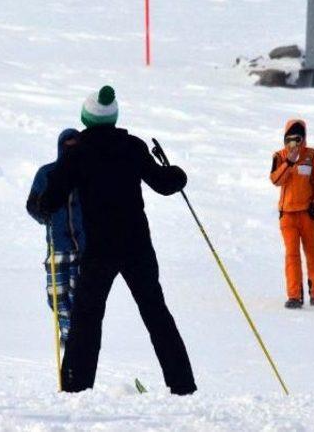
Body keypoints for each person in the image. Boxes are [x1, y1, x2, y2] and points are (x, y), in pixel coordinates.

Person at [38, 86, 196, 395]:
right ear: (113, 117)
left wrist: (45, 204)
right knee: (156, 312)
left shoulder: (77, 152)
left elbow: (52, 197)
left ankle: (76, 386)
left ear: (86, 117)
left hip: (99, 249)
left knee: (87, 317)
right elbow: (165, 184)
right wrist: (177, 173)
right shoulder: (133, 147)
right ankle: (182, 384)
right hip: (137, 245)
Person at [26, 129, 85, 345]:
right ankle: (67, 336)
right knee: (57, 296)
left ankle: (75, 341)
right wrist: (43, 213)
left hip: (82, 247)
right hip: (57, 246)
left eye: (75, 145)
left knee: (78, 297)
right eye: (67, 145)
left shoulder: (87, 173)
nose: (71, 149)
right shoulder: (47, 173)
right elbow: (32, 205)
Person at [269, 119, 314, 309]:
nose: (293, 144)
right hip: (287, 214)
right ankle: (294, 295)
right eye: (289, 139)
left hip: (308, 214)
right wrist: (289, 162)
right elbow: (275, 180)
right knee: (291, 255)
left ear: (304, 139)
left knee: (313, 253)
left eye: (297, 139)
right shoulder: (279, 156)